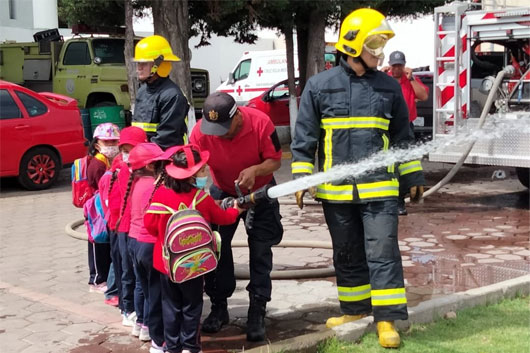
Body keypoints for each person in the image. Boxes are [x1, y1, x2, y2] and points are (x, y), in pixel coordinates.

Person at [290, 9, 425, 348]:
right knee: (347, 253)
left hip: (380, 189)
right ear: (351, 46)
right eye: (374, 43)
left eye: (381, 44)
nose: (379, 52)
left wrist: (413, 177)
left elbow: (402, 138)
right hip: (336, 193)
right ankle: (353, 309)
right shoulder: (319, 87)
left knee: (382, 253)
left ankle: (386, 320)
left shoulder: (389, 87)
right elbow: (305, 136)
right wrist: (301, 177)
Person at [190, 92, 284, 342]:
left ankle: (257, 309)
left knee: (261, 250)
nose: (218, 134)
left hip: (261, 192)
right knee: (216, 247)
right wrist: (199, 195)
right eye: (214, 129)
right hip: (222, 192)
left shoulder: (261, 123)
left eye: (223, 127)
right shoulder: (200, 132)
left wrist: (256, 169)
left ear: (237, 116)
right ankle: (219, 306)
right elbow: (195, 166)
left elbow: (275, 161)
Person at [144, 144, 243, 353]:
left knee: (170, 307)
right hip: (194, 266)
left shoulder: (159, 196)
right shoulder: (201, 199)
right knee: (192, 306)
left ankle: (172, 346)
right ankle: (190, 346)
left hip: (166, 264)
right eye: (203, 170)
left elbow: (149, 226)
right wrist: (235, 210)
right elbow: (222, 218)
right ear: (192, 175)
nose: (206, 173)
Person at [121, 143, 166, 353]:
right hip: (149, 244)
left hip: (134, 241)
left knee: (146, 290)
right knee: (157, 294)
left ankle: (145, 325)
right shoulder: (153, 185)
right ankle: (159, 341)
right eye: (160, 162)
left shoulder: (138, 183)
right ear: (150, 166)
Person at [104, 126, 147, 327]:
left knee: (138, 275)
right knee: (127, 272)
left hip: (138, 231)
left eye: (132, 148)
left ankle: (137, 311)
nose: (127, 153)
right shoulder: (119, 171)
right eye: (125, 149)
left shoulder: (146, 171)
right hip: (123, 230)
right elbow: (114, 205)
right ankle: (127, 308)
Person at [381, 51, 429, 215]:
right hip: (384, 125)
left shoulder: (409, 80)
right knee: (385, 164)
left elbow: (423, 96)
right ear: (389, 64)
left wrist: (411, 79)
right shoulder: (382, 78)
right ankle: (384, 200)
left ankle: (399, 201)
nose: (396, 69)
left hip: (404, 126)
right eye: (394, 66)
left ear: (404, 65)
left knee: (403, 163)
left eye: (399, 65)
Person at [132, 35, 190, 150]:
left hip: (165, 157)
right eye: (138, 63)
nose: (139, 68)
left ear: (158, 64)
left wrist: (142, 152)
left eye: (144, 63)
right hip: (144, 155)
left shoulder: (173, 96)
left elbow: (167, 138)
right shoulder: (142, 91)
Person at [86, 123, 121, 294]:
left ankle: (104, 277)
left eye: (114, 142)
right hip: (97, 209)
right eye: (107, 142)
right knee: (97, 243)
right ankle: (97, 279)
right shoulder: (98, 165)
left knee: (104, 244)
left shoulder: (107, 161)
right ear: (97, 144)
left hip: (103, 207)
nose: (112, 146)